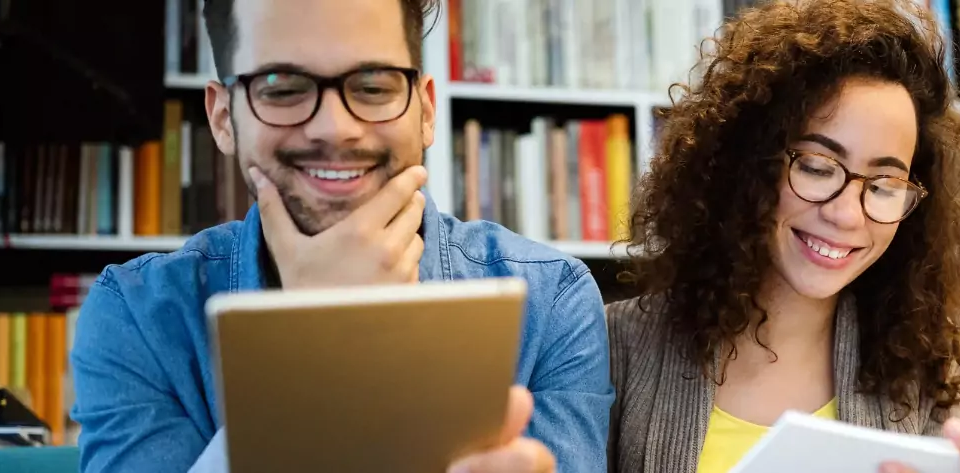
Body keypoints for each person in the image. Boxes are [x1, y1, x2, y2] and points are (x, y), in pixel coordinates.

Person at [66, 0, 612, 472]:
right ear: (224, 117)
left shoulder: (552, 301)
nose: (335, 127)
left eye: (372, 86)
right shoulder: (134, 316)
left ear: (424, 109)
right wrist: (319, 345)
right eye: (282, 88)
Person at [602, 1, 960, 471]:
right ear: (747, 161)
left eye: (885, 186)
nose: (847, 215)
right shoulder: (614, 345)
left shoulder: (926, 375)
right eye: (817, 167)